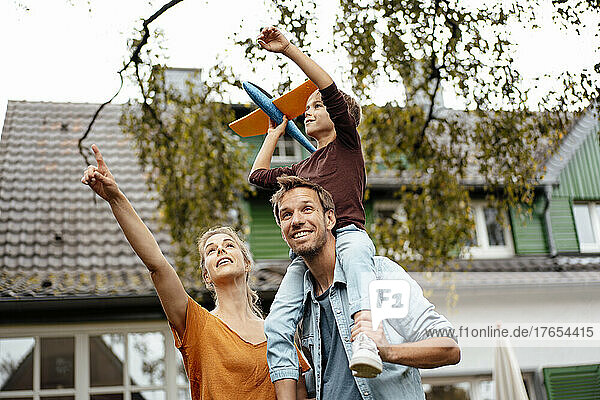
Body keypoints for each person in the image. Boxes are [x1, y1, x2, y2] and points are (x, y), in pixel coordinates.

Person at [81, 144, 310, 400]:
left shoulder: (278, 329)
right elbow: (157, 265)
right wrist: (115, 198)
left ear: (247, 262)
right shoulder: (197, 326)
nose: (221, 251)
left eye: (229, 245)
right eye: (211, 251)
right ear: (206, 276)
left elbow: (300, 396)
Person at [249, 25, 382, 388]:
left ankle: (367, 337)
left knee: (356, 265)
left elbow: (329, 87)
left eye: (317, 106)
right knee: (277, 320)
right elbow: (257, 176)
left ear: (340, 119)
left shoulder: (347, 147)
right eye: (306, 109)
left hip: (347, 235)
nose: (309, 112)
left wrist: (288, 49)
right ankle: (286, 385)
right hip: (307, 252)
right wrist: (273, 136)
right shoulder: (302, 171)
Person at [270, 175, 461, 400]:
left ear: (330, 218)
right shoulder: (299, 304)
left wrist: (388, 352)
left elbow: (449, 348)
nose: (296, 221)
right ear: (282, 231)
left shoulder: (379, 276)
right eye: (286, 215)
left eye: (307, 209)